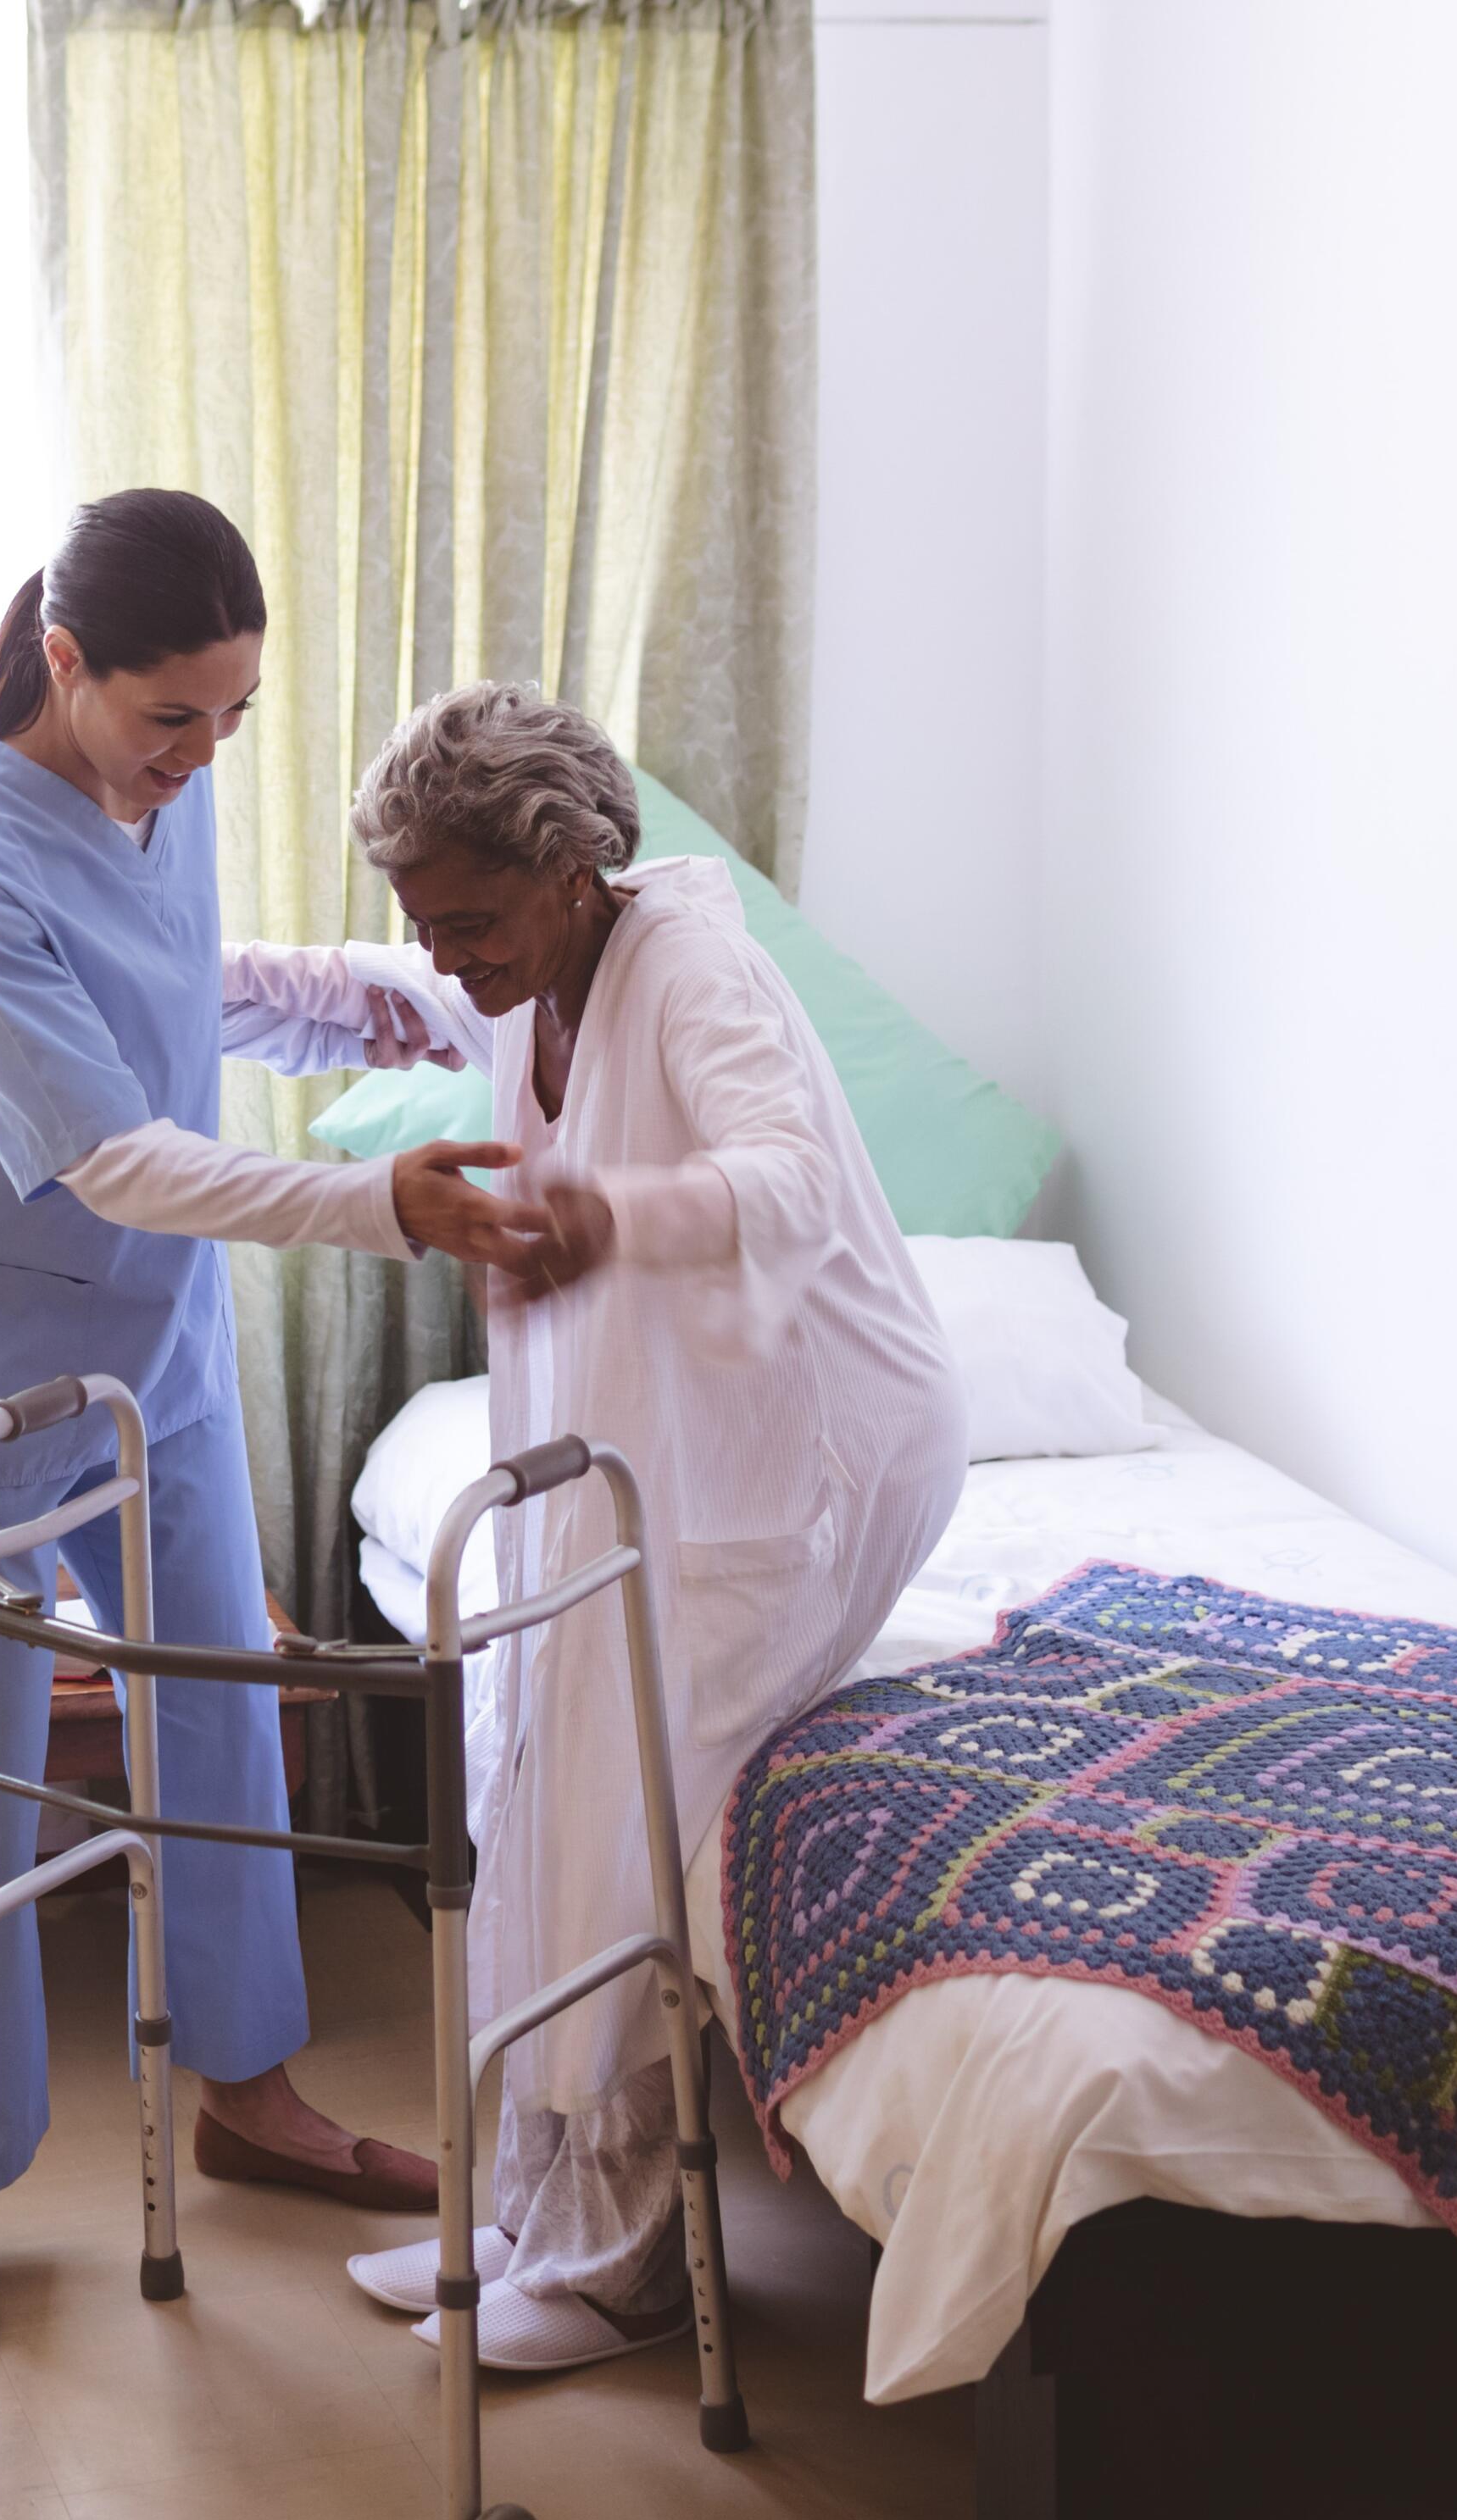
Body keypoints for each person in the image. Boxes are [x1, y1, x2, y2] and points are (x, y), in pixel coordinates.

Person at [0, 492, 546, 2360]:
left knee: (223, 1704)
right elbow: (111, 1148)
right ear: (66, 666)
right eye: (174, 718)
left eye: (235, 713)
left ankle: (249, 2090)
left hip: (158, 1348)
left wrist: (334, 998)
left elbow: (159, 992)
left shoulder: (165, 775)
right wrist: (383, 1206)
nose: (207, 751)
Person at [221, 682, 969, 2370]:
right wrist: (156, 972)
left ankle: (627, 2268)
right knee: (532, 1771)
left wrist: (598, 1208)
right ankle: (529, 2223)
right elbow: (360, 992)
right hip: (671, 1438)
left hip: (817, 1453)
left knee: (623, 1811)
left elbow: (778, 1175)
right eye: (428, 921)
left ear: (573, 871)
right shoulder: (516, 968)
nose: (449, 954)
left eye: (471, 921)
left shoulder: (690, 968)